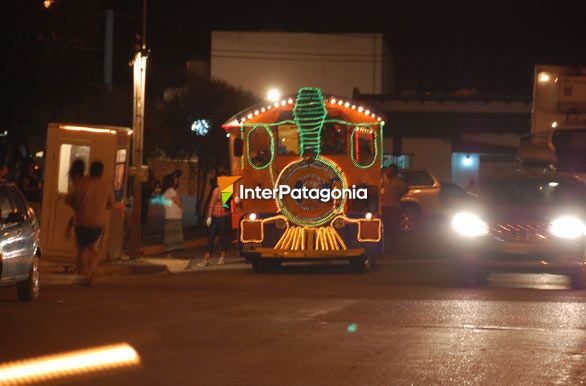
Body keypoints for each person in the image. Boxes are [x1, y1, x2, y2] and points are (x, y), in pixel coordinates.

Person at [65, 161, 114, 286]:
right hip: (97, 225)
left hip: (80, 223)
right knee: (94, 251)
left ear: (89, 171)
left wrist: (78, 207)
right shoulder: (106, 186)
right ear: (102, 172)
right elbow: (111, 204)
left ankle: (82, 273)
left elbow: (69, 199)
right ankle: (89, 275)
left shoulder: (81, 184)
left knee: (81, 249)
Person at [190, 171, 232, 268]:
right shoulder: (216, 191)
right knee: (211, 237)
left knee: (223, 237)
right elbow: (211, 204)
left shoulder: (229, 191)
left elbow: (231, 204)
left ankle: (222, 257)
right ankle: (206, 258)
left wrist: (234, 200)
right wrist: (209, 216)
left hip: (224, 217)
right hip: (215, 217)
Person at [64, 158, 86, 273]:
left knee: (80, 247)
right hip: (81, 214)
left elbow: (68, 198)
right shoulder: (84, 180)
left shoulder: (74, 180)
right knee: (84, 247)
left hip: (77, 215)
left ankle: (80, 268)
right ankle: (82, 269)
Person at [381, 164, 408, 253]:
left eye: (390, 170)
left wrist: (399, 195)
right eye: (388, 169)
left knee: (393, 227)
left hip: (394, 207)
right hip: (384, 207)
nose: (388, 171)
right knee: (385, 227)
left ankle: (394, 246)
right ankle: (386, 246)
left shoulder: (397, 181)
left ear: (394, 171)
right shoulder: (385, 180)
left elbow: (406, 188)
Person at [162, 174, 184, 257]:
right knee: (171, 236)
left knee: (171, 236)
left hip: (172, 216)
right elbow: (179, 203)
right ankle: (168, 254)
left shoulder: (168, 191)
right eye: (175, 179)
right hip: (173, 217)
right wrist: (180, 199)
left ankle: (170, 254)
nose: (177, 180)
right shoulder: (171, 191)